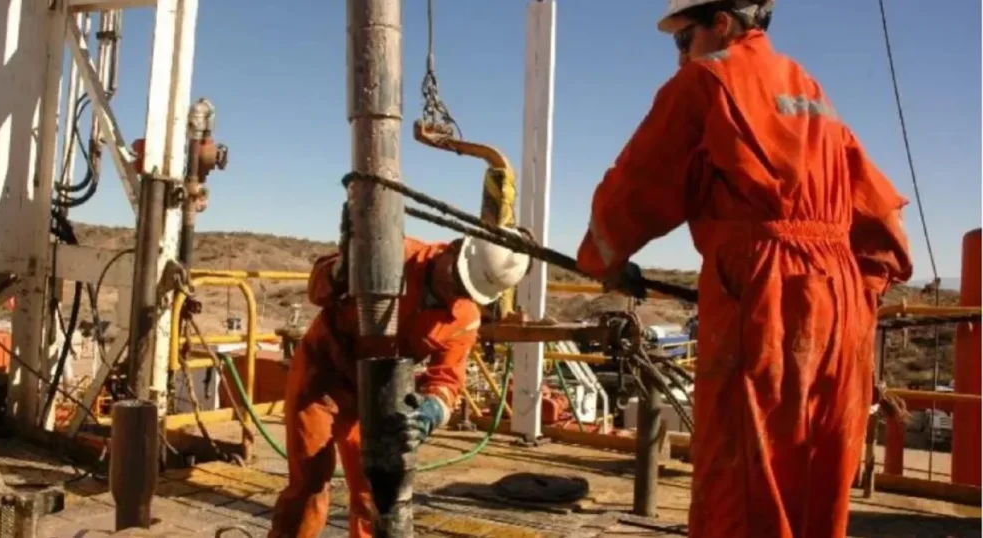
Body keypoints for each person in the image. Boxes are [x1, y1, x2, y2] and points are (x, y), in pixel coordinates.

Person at [575, 2, 913, 537]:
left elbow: (638, 182)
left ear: (722, 24)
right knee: (817, 478)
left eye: (683, 39)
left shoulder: (707, 80)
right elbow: (878, 212)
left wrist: (603, 260)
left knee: (744, 483)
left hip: (765, 292)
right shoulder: (809, 89)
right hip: (842, 302)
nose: (680, 57)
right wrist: (857, 290)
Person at [268, 230, 531, 538]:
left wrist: (431, 411)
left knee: (376, 493)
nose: (454, 290)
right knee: (311, 483)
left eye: (465, 290)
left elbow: (447, 379)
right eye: (457, 278)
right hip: (322, 376)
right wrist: (342, 270)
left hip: (378, 395)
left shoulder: (464, 318)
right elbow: (317, 291)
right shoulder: (392, 251)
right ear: (453, 248)